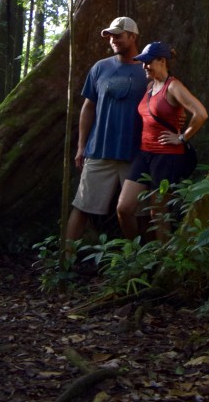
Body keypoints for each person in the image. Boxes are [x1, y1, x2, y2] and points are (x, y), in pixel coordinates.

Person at [65, 16, 149, 248]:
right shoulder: (101, 68)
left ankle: (140, 261)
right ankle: (64, 261)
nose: (113, 40)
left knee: (140, 213)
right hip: (99, 150)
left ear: (133, 36)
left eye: (118, 35)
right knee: (82, 206)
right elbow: (88, 107)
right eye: (110, 36)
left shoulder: (148, 69)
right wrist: (82, 146)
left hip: (135, 155)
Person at [117, 41, 208, 241]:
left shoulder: (174, 86)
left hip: (167, 156)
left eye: (148, 62)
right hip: (144, 154)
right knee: (124, 208)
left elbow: (200, 113)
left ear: (162, 61)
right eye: (143, 62)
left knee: (158, 213)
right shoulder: (150, 86)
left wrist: (182, 137)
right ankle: (135, 255)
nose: (144, 66)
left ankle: (163, 263)